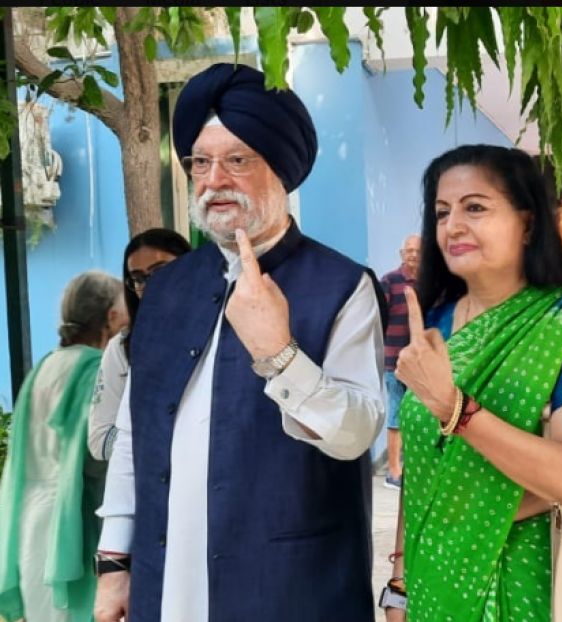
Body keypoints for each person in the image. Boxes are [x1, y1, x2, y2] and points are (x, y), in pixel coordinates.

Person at [93, 63, 385, 622]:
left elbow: (356, 435)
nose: (213, 180)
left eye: (237, 160)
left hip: (289, 586)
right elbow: (134, 432)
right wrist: (114, 562)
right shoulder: (169, 288)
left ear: (281, 170)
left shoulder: (342, 285)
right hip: (166, 579)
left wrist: (281, 356)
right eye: (200, 163)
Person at [382, 145, 562, 621]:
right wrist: (400, 585)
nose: (453, 226)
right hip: (433, 578)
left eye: (475, 207)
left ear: (528, 223)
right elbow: (422, 467)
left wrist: (453, 407)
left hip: (526, 580)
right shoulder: (437, 320)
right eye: (442, 212)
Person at [0, 271, 127, 622]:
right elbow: (98, 458)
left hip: (31, 525)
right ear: (112, 316)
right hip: (74, 527)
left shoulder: (45, 366)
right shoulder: (95, 370)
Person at [88, 229, 191, 462]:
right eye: (138, 278)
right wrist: (165, 433)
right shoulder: (124, 347)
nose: (149, 285)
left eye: (160, 271)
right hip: (154, 477)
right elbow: (100, 441)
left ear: (191, 267)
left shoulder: (224, 331)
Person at [380, 234, 421, 490]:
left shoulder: (429, 282)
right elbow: (379, 317)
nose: (413, 254)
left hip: (421, 364)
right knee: (396, 415)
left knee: (418, 417)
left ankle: (414, 469)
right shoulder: (389, 281)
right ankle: (394, 471)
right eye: (409, 250)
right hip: (394, 361)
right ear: (401, 254)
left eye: (418, 251)